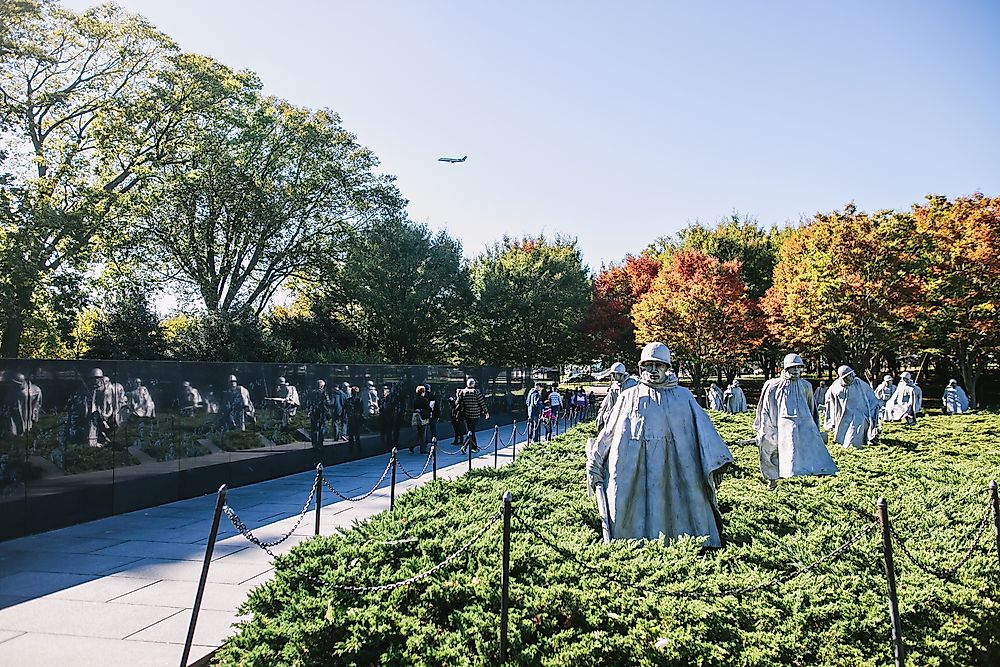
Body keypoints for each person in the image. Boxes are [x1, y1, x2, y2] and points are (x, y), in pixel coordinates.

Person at [586, 342, 734, 546]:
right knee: (636, 511)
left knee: (680, 508)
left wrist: (717, 462)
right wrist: (595, 460)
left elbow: (704, 430)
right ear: (641, 368)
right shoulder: (628, 397)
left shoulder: (683, 396)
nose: (653, 371)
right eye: (648, 366)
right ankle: (634, 545)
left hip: (677, 467)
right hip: (637, 471)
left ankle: (690, 544)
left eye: (659, 366)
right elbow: (609, 432)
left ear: (667, 368)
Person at [754, 353, 838, 489]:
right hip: (784, 423)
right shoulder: (773, 385)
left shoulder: (806, 386)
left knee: (811, 452)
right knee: (775, 450)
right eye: (793, 367)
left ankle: (814, 480)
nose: (796, 370)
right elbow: (766, 408)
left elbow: (812, 408)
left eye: (799, 367)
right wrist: (765, 427)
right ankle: (774, 479)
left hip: (805, 423)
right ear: (786, 368)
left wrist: (814, 428)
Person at [823, 365, 880, 449]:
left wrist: (873, 407)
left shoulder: (859, 383)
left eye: (851, 374)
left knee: (855, 431)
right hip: (843, 414)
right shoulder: (836, 386)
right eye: (848, 376)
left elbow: (870, 395)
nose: (851, 377)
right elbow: (829, 398)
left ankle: (855, 445)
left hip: (859, 413)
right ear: (843, 378)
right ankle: (843, 443)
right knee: (843, 431)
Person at [4, 372, 42, 436]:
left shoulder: (35, 390)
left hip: (26, 411)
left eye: (17, 384)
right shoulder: (13, 392)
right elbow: (7, 401)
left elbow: (36, 405)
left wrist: (34, 415)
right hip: (15, 410)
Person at [596, 362, 630, 431]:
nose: (613, 376)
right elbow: (609, 403)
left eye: (614, 374)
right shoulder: (614, 386)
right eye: (612, 374)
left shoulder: (632, 384)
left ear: (621, 374)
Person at [458, 378, 489, 453]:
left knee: (471, 431)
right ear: (473, 384)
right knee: (471, 431)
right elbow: (481, 402)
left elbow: (460, 403)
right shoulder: (476, 392)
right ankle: (465, 447)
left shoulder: (463, 392)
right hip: (475, 415)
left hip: (466, 414)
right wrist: (486, 412)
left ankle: (474, 448)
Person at [305, 379, 331, 448]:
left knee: (314, 428)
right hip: (321, 412)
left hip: (314, 412)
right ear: (322, 386)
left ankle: (314, 443)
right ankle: (320, 442)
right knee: (321, 428)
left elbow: (308, 403)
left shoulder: (312, 393)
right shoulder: (324, 393)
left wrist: (308, 412)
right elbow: (328, 403)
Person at [379, 386, 402, 450]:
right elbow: (384, 407)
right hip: (388, 416)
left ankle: (393, 442)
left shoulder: (393, 398)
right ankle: (389, 443)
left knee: (392, 430)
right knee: (388, 430)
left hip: (392, 416)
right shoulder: (384, 399)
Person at [411, 385, 431, 454]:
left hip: (415, 417)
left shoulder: (414, 400)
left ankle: (412, 445)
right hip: (422, 417)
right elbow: (428, 408)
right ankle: (422, 449)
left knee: (417, 433)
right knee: (423, 434)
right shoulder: (424, 400)